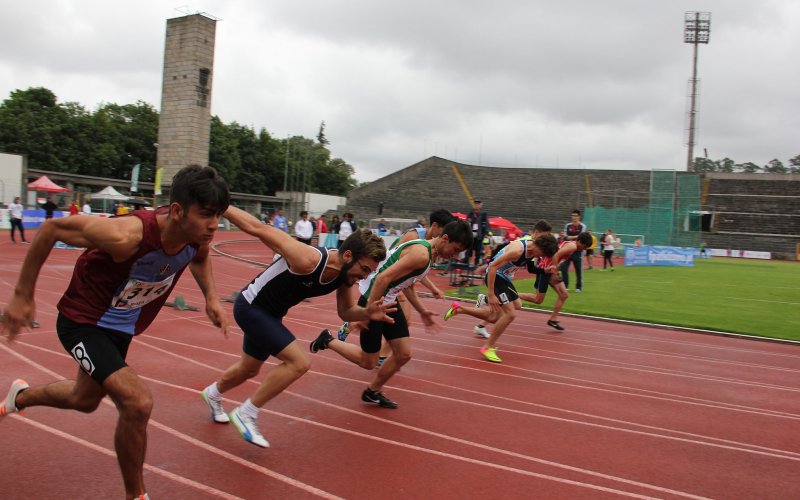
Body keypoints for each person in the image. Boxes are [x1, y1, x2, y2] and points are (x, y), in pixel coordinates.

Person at [0, 165, 231, 500]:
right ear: (178, 211)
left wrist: (211, 297)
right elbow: (52, 229)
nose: (214, 225)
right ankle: (136, 495)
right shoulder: (127, 235)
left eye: (219, 216)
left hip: (122, 326)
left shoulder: (197, 238)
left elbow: (200, 257)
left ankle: (18, 397)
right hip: (83, 321)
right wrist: (23, 295)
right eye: (207, 215)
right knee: (137, 402)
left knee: (84, 400)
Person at [200, 207, 392, 448]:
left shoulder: (344, 277)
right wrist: (223, 205)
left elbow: (345, 312)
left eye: (370, 273)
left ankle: (213, 394)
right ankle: (246, 413)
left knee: (249, 369)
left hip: (271, 314)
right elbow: (259, 228)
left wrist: (367, 313)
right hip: (251, 307)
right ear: (348, 256)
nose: (364, 278)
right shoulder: (308, 259)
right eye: (364, 270)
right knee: (299, 362)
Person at [309, 219, 473, 408]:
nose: (455, 256)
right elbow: (382, 278)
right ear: (445, 238)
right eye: (455, 250)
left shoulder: (429, 253)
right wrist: (368, 312)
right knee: (368, 361)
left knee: (403, 354)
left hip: (388, 301)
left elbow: (406, 283)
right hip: (374, 299)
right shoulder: (421, 254)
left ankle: (372, 391)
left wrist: (422, 312)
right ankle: (328, 339)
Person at [338, 209, 457, 368]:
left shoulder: (433, 247)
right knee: (402, 319)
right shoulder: (415, 237)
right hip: (385, 281)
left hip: (396, 283)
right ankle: (359, 324)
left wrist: (432, 288)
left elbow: (416, 273)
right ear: (435, 226)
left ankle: (383, 354)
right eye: (444, 231)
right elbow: (397, 267)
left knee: (404, 322)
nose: (445, 235)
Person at [444, 230, 558, 363]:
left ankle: (459, 309)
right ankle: (488, 347)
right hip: (495, 277)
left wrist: (545, 270)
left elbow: (531, 269)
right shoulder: (518, 250)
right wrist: (491, 294)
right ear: (540, 247)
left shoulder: (532, 250)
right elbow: (492, 267)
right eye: (543, 255)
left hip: (504, 279)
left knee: (500, 315)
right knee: (510, 314)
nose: (542, 258)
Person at [518, 231, 594, 331]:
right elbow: (555, 256)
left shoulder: (572, 244)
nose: (583, 249)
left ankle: (552, 319)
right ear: (579, 241)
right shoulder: (573, 246)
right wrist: (554, 273)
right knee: (538, 299)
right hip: (546, 270)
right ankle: (513, 294)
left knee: (564, 295)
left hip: (550, 270)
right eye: (584, 246)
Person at [560, 210, 587, 292]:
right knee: (564, 268)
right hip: (567, 250)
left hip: (577, 251)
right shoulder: (568, 226)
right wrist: (575, 237)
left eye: (575, 216)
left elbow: (581, 237)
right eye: (572, 215)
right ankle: (565, 286)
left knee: (578, 269)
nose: (574, 217)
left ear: (579, 217)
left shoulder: (582, 226)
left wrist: (570, 237)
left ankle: (578, 287)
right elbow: (565, 237)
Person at [465, 199, 489, 267]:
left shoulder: (483, 214)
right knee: (469, 249)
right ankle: (467, 262)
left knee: (478, 250)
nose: (476, 205)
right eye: (475, 204)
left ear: (480, 205)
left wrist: (486, 233)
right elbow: (467, 223)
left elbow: (486, 224)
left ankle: (476, 263)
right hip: (471, 234)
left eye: (478, 204)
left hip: (479, 234)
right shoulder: (470, 214)